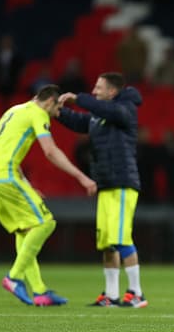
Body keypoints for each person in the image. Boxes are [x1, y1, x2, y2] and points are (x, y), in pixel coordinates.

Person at [0, 85, 97, 306]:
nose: (57, 113)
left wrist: (26, 185)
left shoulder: (14, 110)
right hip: (5, 176)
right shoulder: (39, 113)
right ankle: (14, 277)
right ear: (50, 102)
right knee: (45, 223)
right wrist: (82, 177)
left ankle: (40, 291)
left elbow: (4, 148)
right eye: (57, 108)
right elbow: (50, 151)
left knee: (25, 229)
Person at [57, 72, 148, 308]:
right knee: (107, 243)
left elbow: (106, 111)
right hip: (106, 185)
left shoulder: (125, 109)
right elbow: (79, 122)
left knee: (121, 239)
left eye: (99, 87)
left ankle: (137, 293)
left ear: (112, 92)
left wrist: (79, 98)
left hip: (122, 184)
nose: (95, 91)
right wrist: (56, 111)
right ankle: (111, 295)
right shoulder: (99, 116)